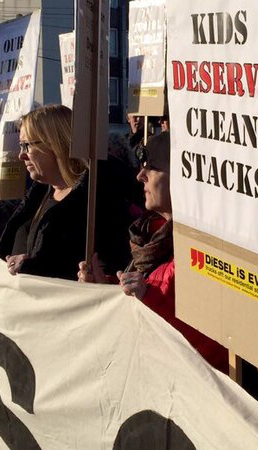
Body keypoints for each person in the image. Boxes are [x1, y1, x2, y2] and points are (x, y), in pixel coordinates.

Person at [78, 132, 228, 373]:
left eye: (152, 167)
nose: (140, 176)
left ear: (184, 174)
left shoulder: (210, 247)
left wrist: (147, 298)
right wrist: (105, 288)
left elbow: (217, 347)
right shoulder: (153, 235)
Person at [0, 104, 131, 280]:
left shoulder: (97, 201)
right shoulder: (39, 193)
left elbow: (104, 266)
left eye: (27, 145)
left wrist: (31, 267)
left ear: (55, 143)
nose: (21, 155)